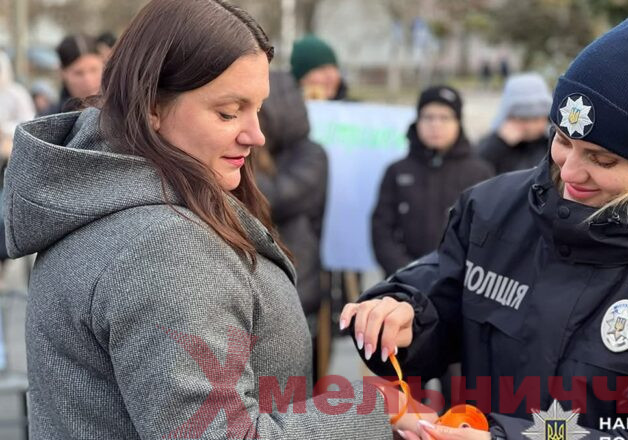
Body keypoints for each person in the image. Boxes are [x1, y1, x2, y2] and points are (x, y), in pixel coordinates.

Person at [6, 1, 429, 438]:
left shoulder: (105, 198)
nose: (256, 134)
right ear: (152, 107)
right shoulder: (164, 248)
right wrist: (374, 409)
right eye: (228, 112)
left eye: (258, 108)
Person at [342, 13, 628, 440]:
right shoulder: (492, 209)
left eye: (602, 159)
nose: (570, 172)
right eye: (562, 140)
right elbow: (442, 288)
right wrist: (405, 315)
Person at [254, 70, 329, 381]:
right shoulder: (258, 151)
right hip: (258, 289)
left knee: (295, 390)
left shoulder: (311, 155)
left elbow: (274, 202)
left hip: (300, 286)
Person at [372, 85, 494, 276]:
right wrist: (408, 273)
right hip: (403, 282)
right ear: (417, 121)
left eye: (445, 117)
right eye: (428, 117)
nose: (435, 124)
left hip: (459, 284)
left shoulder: (479, 172)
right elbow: (381, 230)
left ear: (458, 123)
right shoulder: (397, 171)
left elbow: (488, 233)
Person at [478, 73, 552, 174]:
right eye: (524, 118)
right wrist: (498, 142)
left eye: (536, 118)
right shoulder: (494, 145)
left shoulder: (553, 143)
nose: (530, 126)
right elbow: (474, 170)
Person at [43, 34, 104, 115]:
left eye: (94, 70)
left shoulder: (120, 111)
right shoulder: (50, 120)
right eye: (78, 73)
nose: (88, 80)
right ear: (62, 73)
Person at [290, 34, 347, 101]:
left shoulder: (352, 108)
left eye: (333, 68)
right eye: (322, 70)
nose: (330, 76)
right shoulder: (285, 109)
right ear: (302, 78)